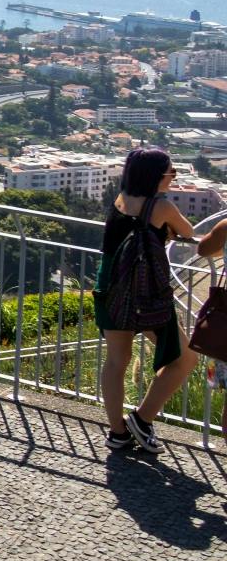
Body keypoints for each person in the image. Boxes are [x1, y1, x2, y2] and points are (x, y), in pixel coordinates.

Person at [97, 147, 227, 454]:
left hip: (111, 287)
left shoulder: (120, 200)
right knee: (184, 358)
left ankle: (117, 432)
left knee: (116, 361)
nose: (174, 178)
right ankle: (143, 419)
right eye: (172, 172)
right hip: (147, 295)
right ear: (158, 175)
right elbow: (189, 232)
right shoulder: (162, 206)